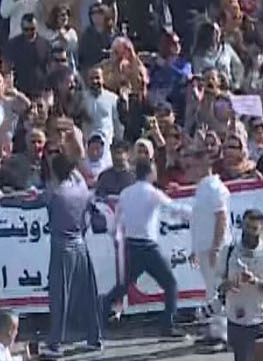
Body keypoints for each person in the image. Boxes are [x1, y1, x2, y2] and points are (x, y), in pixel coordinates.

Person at [99, 158, 190, 337]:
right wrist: (195, 212)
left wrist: (116, 237)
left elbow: (115, 222)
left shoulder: (126, 193)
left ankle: (99, 311)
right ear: (150, 172)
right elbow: (173, 208)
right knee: (170, 284)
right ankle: (168, 326)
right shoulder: (151, 192)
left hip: (132, 246)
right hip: (148, 247)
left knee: (123, 286)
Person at [40, 152, 104, 356]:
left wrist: (1, 199)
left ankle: (55, 343)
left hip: (62, 247)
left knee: (59, 296)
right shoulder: (81, 188)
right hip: (81, 245)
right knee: (88, 296)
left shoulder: (55, 193)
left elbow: (29, 203)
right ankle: (94, 338)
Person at [217, 208, 263, 361]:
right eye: (247, 227)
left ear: (262, 229)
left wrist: (257, 282)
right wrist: (226, 285)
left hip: (261, 318)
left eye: (254, 228)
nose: (249, 232)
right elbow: (216, 280)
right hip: (237, 318)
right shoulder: (229, 251)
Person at [190, 165, 231, 344]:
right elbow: (198, 222)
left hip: (216, 249)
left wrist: (216, 247)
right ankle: (214, 331)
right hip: (204, 249)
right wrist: (194, 249)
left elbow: (221, 218)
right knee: (211, 290)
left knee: (218, 291)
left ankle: (222, 334)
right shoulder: (202, 187)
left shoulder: (215, 187)